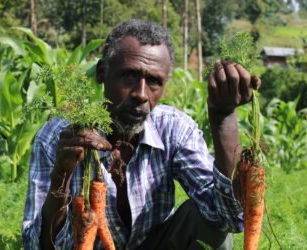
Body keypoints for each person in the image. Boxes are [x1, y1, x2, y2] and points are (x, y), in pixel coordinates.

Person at [22, 19, 260, 250]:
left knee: (207, 227)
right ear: (102, 72)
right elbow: (35, 246)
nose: (141, 94)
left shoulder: (174, 128)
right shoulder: (58, 137)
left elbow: (227, 218)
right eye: (129, 75)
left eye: (154, 81)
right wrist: (61, 176)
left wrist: (222, 118)